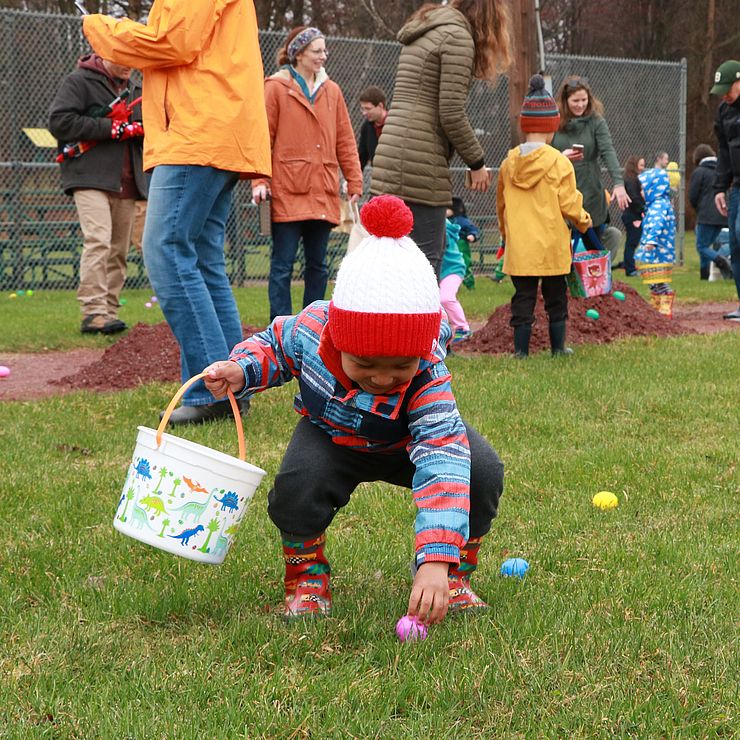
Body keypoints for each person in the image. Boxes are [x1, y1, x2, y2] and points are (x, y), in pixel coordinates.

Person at [203, 195, 504, 623]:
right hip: (331, 436)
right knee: (297, 484)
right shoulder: (311, 330)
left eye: (401, 365)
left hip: (403, 444)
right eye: (364, 364)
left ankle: (451, 578)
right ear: (338, 338)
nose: (383, 379)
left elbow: (443, 456)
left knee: (480, 469)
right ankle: (306, 577)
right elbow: (272, 345)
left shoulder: (428, 373)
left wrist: (436, 558)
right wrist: (240, 369)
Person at [83, 0, 272, 425]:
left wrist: (101, 30)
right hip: (214, 129)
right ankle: (233, 384)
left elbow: (172, 42)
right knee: (203, 261)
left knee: (165, 247)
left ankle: (213, 390)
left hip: (198, 130)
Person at [370, 0, 511, 274]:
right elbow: (450, 112)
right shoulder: (457, 37)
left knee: (386, 263)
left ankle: (380, 317)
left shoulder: (428, 28)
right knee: (425, 264)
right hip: (419, 166)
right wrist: (477, 162)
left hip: (389, 157)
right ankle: (420, 319)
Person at [252, 26, 363, 322]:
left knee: (319, 265)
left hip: (322, 190)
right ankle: (280, 328)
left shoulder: (332, 91)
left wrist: (354, 179)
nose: (323, 56)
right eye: (317, 51)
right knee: (282, 266)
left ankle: (312, 326)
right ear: (298, 54)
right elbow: (263, 137)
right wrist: (260, 180)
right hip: (287, 190)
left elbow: (345, 139)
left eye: (324, 51)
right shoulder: (275, 87)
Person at [48, 54, 147, 335]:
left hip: (129, 182)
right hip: (90, 176)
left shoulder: (138, 88)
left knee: (118, 250)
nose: (129, 63)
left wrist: (139, 129)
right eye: (120, 57)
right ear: (104, 55)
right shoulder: (79, 81)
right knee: (98, 240)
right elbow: (60, 122)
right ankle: (92, 312)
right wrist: (111, 128)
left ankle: (109, 312)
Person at [497, 75, 592, 358]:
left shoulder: (508, 163)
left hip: (521, 248)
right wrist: (584, 221)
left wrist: (505, 234)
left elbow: (501, 206)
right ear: (552, 127)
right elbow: (569, 203)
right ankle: (558, 347)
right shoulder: (559, 162)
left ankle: (521, 351)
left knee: (523, 299)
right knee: (555, 298)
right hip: (552, 246)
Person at [552, 76, 629, 257]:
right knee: (560, 244)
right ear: (565, 101)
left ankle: (598, 278)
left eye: (584, 100)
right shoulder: (554, 121)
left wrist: (618, 183)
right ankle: (560, 280)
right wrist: (561, 157)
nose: (580, 105)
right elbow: (544, 153)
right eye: (575, 101)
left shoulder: (596, 122)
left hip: (591, 193)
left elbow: (608, 151)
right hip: (561, 191)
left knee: (603, 240)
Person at [710, 59, 740, 320]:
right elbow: (724, 152)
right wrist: (720, 187)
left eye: (728, 89)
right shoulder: (724, 111)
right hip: (736, 186)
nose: (725, 95)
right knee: (735, 243)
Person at [634, 166, 676, 317]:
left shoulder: (658, 205)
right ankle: (658, 310)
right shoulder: (657, 204)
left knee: (658, 281)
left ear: (653, 188)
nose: (641, 193)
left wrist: (650, 241)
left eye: (643, 189)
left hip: (657, 251)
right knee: (653, 281)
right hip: (655, 251)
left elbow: (657, 225)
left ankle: (664, 309)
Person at [688, 144, 732, 280]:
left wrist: (698, 208)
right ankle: (704, 276)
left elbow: (693, 195)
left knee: (701, 247)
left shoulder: (699, 172)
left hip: (706, 215)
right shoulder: (721, 170)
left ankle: (721, 260)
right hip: (723, 214)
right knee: (707, 246)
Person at [440, 218, 472, 343]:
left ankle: (462, 328)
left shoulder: (442, 227)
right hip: (440, 271)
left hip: (453, 269)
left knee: (446, 298)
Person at [620, 155, 646, 277]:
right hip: (632, 216)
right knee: (631, 242)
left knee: (633, 242)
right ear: (634, 166)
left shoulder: (635, 179)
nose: (643, 168)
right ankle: (630, 269)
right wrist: (643, 209)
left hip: (635, 215)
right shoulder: (630, 180)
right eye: (641, 165)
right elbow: (633, 198)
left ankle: (629, 264)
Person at [448, 195, 480, 289]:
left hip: (461, 245)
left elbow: (473, 229)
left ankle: (470, 285)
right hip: (448, 245)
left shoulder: (461, 220)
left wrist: (472, 235)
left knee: (464, 264)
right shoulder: (444, 220)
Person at [358, 86, 388, 171]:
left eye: (368, 109)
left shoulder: (394, 124)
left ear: (380, 106)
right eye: (362, 109)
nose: (364, 113)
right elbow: (362, 157)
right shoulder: (366, 127)